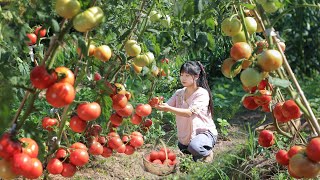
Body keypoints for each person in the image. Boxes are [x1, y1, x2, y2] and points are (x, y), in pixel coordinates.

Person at [155, 61, 218, 162]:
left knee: (194, 147)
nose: (183, 78)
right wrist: (157, 104)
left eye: (187, 75)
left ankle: (208, 152)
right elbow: (167, 105)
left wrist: (168, 108)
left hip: (204, 133)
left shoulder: (202, 93)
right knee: (185, 149)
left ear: (196, 76)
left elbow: (189, 113)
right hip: (186, 137)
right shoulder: (179, 93)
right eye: (181, 75)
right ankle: (197, 153)